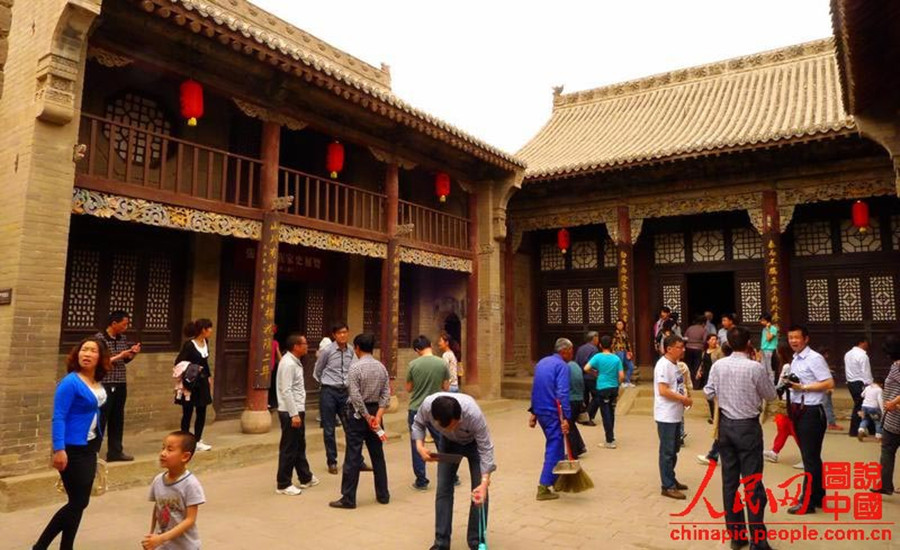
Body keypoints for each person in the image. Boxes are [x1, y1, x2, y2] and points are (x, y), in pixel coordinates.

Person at [33, 337, 110, 550]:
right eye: (83, 349)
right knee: (77, 502)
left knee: (80, 502)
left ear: (100, 357)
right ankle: (40, 546)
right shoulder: (70, 382)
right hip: (71, 448)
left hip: (90, 446)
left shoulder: (96, 382)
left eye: (92, 350)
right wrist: (59, 449)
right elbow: (59, 416)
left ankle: (66, 546)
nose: (86, 354)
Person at [704, 326, 777, 549]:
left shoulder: (718, 365)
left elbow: (708, 391)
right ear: (748, 343)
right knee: (752, 483)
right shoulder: (755, 368)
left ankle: (737, 536)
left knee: (729, 482)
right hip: (748, 427)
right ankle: (758, 539)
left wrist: (725, 395)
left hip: (726, 427)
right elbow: (771, 395)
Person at [413, 394, 495, 550]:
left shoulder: (473, 413)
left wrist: (484, 482)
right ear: (436, 420)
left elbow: (486, 448)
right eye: (450, 427)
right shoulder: (427, 407)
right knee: (443, 489)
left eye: (457, 424)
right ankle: (441, 543)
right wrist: (419, 446)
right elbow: (417, 424)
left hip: (475, 445)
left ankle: (477, 541)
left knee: (479, 493)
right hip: (448, 444)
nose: (455, 428)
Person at [329, 333, 391, 509]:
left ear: (357, 347)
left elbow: (355, 396)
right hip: (376, 413)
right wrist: (377, 415)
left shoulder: (355, 368)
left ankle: (349, 497)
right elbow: (386, 393)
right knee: (377, 455)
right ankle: (383, 494)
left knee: (353, 455)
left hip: (358, 415)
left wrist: (366, 416)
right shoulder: (381, 368)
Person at [785, 324, 834, 514]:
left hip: (812, 411)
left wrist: (803, 388)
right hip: (800, 410)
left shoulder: (814, 358)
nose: (793, 341)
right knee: (812, 457)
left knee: (809, 459)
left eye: (797, 337)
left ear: (806, 339)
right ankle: (818, 495)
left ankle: (807, 502)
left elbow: (829, 383)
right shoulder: (795, 359)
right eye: (790, 338)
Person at [142, 431, 205, 550]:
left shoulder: (190, 484)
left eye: (170, 450)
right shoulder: (158, 480)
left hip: (185, 546)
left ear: (185, 456)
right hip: (163, 545)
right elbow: (157, 508)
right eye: (163, 448)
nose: (163, 453)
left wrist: (161, 538)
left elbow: (190, 520)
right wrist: (152, 536)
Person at [529, 338, 572, 501]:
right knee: (554, 447)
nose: (572, 354)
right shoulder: (562, 366)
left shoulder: (542, 363)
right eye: (571, 350)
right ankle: (543, 486)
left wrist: (533, 412)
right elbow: (562, 393)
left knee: (557, 446)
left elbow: (536, 388)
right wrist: (566, 418)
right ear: (565, 351)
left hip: (541, 411)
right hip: (553, 412)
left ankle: (557, 480)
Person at [275, 334, 318, 496]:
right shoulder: (288, 364)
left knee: (299, 444)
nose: (307, 346)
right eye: (304, 344)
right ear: (296, 346)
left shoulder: (294, 362)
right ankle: (283, 483)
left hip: (297, 408)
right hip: (289, 411)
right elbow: (286, 391)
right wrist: (294, 414)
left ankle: (305, 476)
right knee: (289, 447)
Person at [95, 310, 141, 462]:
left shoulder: (122, 338)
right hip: (105, 383)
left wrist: (131, 354)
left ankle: (115, 451)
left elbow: (123, 361)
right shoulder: (99, 339)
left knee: (117, 417)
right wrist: (120, 356)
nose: (125, 327)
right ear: (114, 323)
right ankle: (93, 451)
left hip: (120, 381)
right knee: (101, 417)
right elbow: (101, 361)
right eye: (124, 324)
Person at [407, 335, 451, 491]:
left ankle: (421, 480)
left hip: (416, 408)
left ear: (417, 350)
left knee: (417, 443)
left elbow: (408, 388)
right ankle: (451, 475)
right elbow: (446, 387)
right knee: (442, 441)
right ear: (430, 345)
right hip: (436, 407)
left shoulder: (413, 364)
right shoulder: (442, 363)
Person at [313, 322, 355, 475]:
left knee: (349, 427)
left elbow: (354, 369)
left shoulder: (351, 350)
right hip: (329, 391)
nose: (342, 335)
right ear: (334, 335)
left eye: (345, 332)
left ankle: (352, 460)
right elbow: (318, 370)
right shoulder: (327, 351)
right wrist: (326, 383)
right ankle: (332, 461)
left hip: (345, 392)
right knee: (329, 429)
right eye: (339, 333)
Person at [655, 334, 691, 500]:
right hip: (666, 414)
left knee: (674, 449)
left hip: (676, 413)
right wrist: (682, 399)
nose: (682, 349)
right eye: (679, 347)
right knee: (667, 451)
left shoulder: (675, 364)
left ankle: (671, 478)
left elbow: (678, 385)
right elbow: (663, 390)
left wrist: (684, 399)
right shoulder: (663, 365)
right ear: (669, 349)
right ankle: (667, 485)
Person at [174, 319, 214, 452]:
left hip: (202, 382)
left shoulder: (206, 343)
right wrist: (195, 368)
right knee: (188, 411)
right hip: (191, 382)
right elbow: (179, 362)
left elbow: (206, 362)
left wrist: (209, 376)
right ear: (203, 330)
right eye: (209, 328)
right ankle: (184, 441)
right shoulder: (189, 345)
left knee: (201, 411)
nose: (211, 331)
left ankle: (197, 440)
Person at [763, 344, 800, 464]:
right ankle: (774, 451)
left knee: (793, 429)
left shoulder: (787, 366)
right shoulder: (793, 364)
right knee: (783, 428)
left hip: (787, 401)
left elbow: (782, 383)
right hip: (788, 400)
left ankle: (807, 456)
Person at [585, 335, 624, 449]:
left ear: (600, 345)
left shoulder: (598, 357)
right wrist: (617, 382)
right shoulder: (616, 358)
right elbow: (622, 376)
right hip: (614, 387)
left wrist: (595, 373)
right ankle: (611, 436)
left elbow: (586, 368)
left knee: (605, 413)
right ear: (612, 345)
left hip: (602, 387)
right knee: (611, 411)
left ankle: (609, 439)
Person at [873, 335, 900, 495]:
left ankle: (885, 484)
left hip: (895, 417)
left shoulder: (897, 367)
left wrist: (893, 402)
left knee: (887, 451)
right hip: (893, 415)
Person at [845, 337, 873, 437]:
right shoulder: (862, 355)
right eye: (866, 342)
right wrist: (870, 385)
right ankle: (854, 430)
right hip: (860, 383)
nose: (867, 345)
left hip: (851, 383)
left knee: (863, 405)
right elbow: (866, 372)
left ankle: (870, 429)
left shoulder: (848, 354)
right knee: (861, 405)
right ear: (862, 342)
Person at [695, 333, 723, 423]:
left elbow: (722, 363)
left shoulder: (719, 351)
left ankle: (717, 417)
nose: (714, 341)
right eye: (712, 339)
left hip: (715, 375)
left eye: (716, 339)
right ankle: (713, 415)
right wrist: (699, 371)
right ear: (708, 341)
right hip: (707, 375)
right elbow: (703, 363)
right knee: (709, 396)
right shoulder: (705, 351)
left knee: (716, 396)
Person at [575, 331, 600, 425]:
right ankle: (587, 416)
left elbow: (577, 361)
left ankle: (580, 416)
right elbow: (593, 364)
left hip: (581, 375)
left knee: (584, 398)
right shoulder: (594, 349)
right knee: (597, 396)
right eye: (597, 338)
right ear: (594, 339)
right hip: (591, 376)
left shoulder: (580, 348)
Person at [565, 358, 587, 457]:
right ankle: (579, 447)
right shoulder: (576, 366)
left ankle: (574, 451)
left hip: (571, 399)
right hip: (578, 398)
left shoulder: (566, 368)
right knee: (571, 424)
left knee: (569, 425)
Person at [612, 319, 635, 387]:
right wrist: (613, 352)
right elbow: (613, 344)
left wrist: (630, 351)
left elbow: (628, 343)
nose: (620, 325)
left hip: (625, 351)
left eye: (621, 324)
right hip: (618, 351)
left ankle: (627, 381)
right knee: (619, 366)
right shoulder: (615, 334)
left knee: (631, 366)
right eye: (618, 324)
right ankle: (620, 382)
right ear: (616, 326)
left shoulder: (625, 333)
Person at [683, 316, 707, 380]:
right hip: (698, 349)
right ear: (703, 323)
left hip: (688, 348)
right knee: (697, 365)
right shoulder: (703, 330)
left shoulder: (690, 328)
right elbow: (705, 340)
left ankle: (689, 380)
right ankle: (696, 382)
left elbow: (685, 338)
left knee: (689, 365)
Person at [758, 313, 779, 385]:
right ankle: (765, 383)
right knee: (763, 367)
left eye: (763, 320)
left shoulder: (773, 328)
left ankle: (772, 384)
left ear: (767, 321)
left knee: (770, 368)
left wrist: (768, 329)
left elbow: (769, 338)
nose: (761, 322)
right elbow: (763, 340)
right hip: (764, 350)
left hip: (770, 350)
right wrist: (760, 350)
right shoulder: (764, 329)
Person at [267, 324, 283, 411]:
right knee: (271, 386)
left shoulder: (274, 343)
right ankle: (270, 403)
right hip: (271, 368)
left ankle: (268, 403)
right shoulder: (275, 343)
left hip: (269, 367)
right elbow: (279, 355)